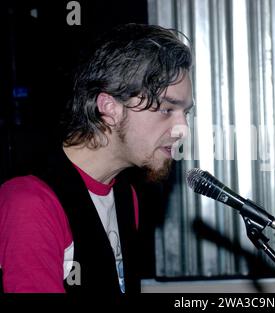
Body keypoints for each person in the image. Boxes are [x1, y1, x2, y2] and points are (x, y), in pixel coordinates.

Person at [0, 23, 193, 293]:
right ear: (109, 107)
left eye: (186, 113)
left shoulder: (127, 197)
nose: (182, 128)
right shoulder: (31, 201)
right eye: (166, 109)